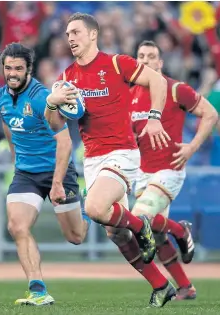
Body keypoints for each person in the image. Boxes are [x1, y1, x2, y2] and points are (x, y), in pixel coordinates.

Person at [45, 13, 172, 307]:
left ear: (92, 35)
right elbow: (55, 124)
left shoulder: (116, 63)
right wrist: (52, 104)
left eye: (75, 32)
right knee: (116, 232)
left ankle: (141, 226)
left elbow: (158, 82)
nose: (70, 38)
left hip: (122, 153)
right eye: (67, 34)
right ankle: (161, 285)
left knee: (94, 207)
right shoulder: (65, 78)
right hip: (93, 160)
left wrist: (154, 118)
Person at [0, 43, 91, 306]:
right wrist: (16, 157)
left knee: (75, 237)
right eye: (8, 68)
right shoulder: (0, 96)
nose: (12, 73)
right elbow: (7, 123)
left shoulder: (41, 98)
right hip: (26, 173)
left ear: (29, 70)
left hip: (56, 170)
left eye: (18, 69)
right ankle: (37, 289)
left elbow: (65, 142)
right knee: (17, 226)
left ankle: (87, 208)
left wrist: (57, 183)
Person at [129, 41, 218, 302]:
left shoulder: (175, 89)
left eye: (151, 56)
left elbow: (210, 114)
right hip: (141, 172)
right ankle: (185, 287)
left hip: (169, 169)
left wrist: (191, 147)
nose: (145, 60)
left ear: (160, 63)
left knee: (139, 217)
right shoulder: (130, 93)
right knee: (155, 236)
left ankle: (180, 230)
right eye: (141, 56)